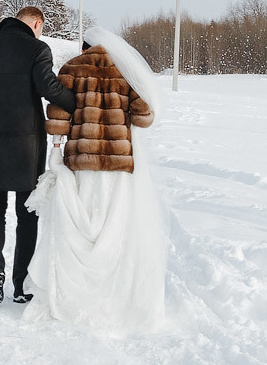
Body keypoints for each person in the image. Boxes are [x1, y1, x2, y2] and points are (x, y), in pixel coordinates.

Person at [26, 27, 167, 332]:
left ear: (85, 45)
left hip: (83, 159)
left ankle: (77, 286)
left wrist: (57, 143)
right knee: (113, 226)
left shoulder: (73, 68)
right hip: (118, 164)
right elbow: (144, 116)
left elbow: (59, 118)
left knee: (82, 221)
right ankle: (113, 287)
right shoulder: (124, 73)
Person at [0, 6, 77, 306]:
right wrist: (77, 104)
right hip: (26, 146)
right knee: (26, 213)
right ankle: (22, 284)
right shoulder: (36, 48)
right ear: (36, 23)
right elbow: (49, 87)